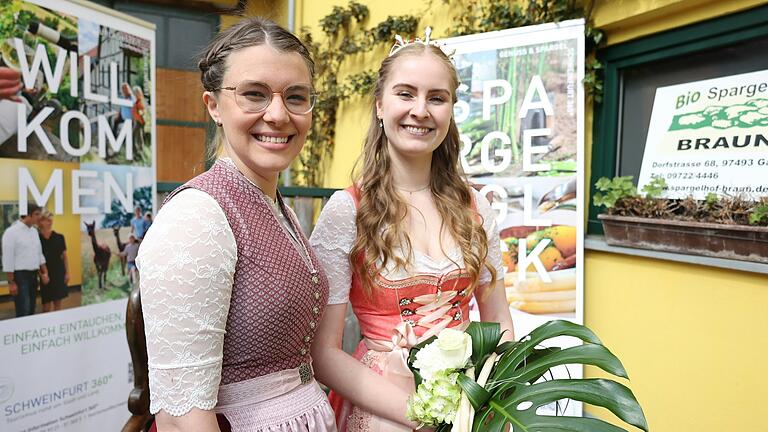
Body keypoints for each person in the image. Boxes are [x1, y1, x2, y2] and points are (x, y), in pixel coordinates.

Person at [309, 30, 515, 431]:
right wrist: (420, 413)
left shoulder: (476, 207)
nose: (421, 110)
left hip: (471, 404)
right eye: (405, 94)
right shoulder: (347, 211)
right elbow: (323, 353)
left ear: (451, 110)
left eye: (436, 98)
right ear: (380, 105)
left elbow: (499, 319)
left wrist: (496, 398)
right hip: (386, 403)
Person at [137, 17, 336, 432]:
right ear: (213, 106)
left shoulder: (272, 202)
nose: (278, 115)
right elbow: (179, 417)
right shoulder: (197, 216)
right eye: (254, 95)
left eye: (296, 97)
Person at [2, 203, 49, 317]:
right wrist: (11, 282)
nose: (39, 217)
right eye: (36, 214)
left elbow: (39, 254)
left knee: (32, 308)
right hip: (20, 277)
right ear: (27, 215)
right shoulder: (11, 232)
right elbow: (8, 258)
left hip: (33, 275)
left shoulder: (34, 231)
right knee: (24, 309)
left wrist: (45, 273)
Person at [38, 210, 69, 312]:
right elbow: (35, 259)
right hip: (45, 275)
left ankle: (57, 324)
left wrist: (67, 273)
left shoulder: (59, 237)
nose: (50, 222)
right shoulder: (36, 238)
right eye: (47, 220)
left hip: (58, 273)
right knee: (46, 306)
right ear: (41, 221)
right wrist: (41, 275)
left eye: (51, 220)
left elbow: (64, 256)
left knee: (57, 304)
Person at [132, 85, 146, 159]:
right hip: (137, 121)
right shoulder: (137, 101)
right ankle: (140, 151)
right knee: (139, 136)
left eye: (135, 93)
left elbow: (142, 111)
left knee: (134, 135)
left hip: (139, 121)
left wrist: (141, 116)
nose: (134, 94)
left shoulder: (139, 101)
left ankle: (136, 151)